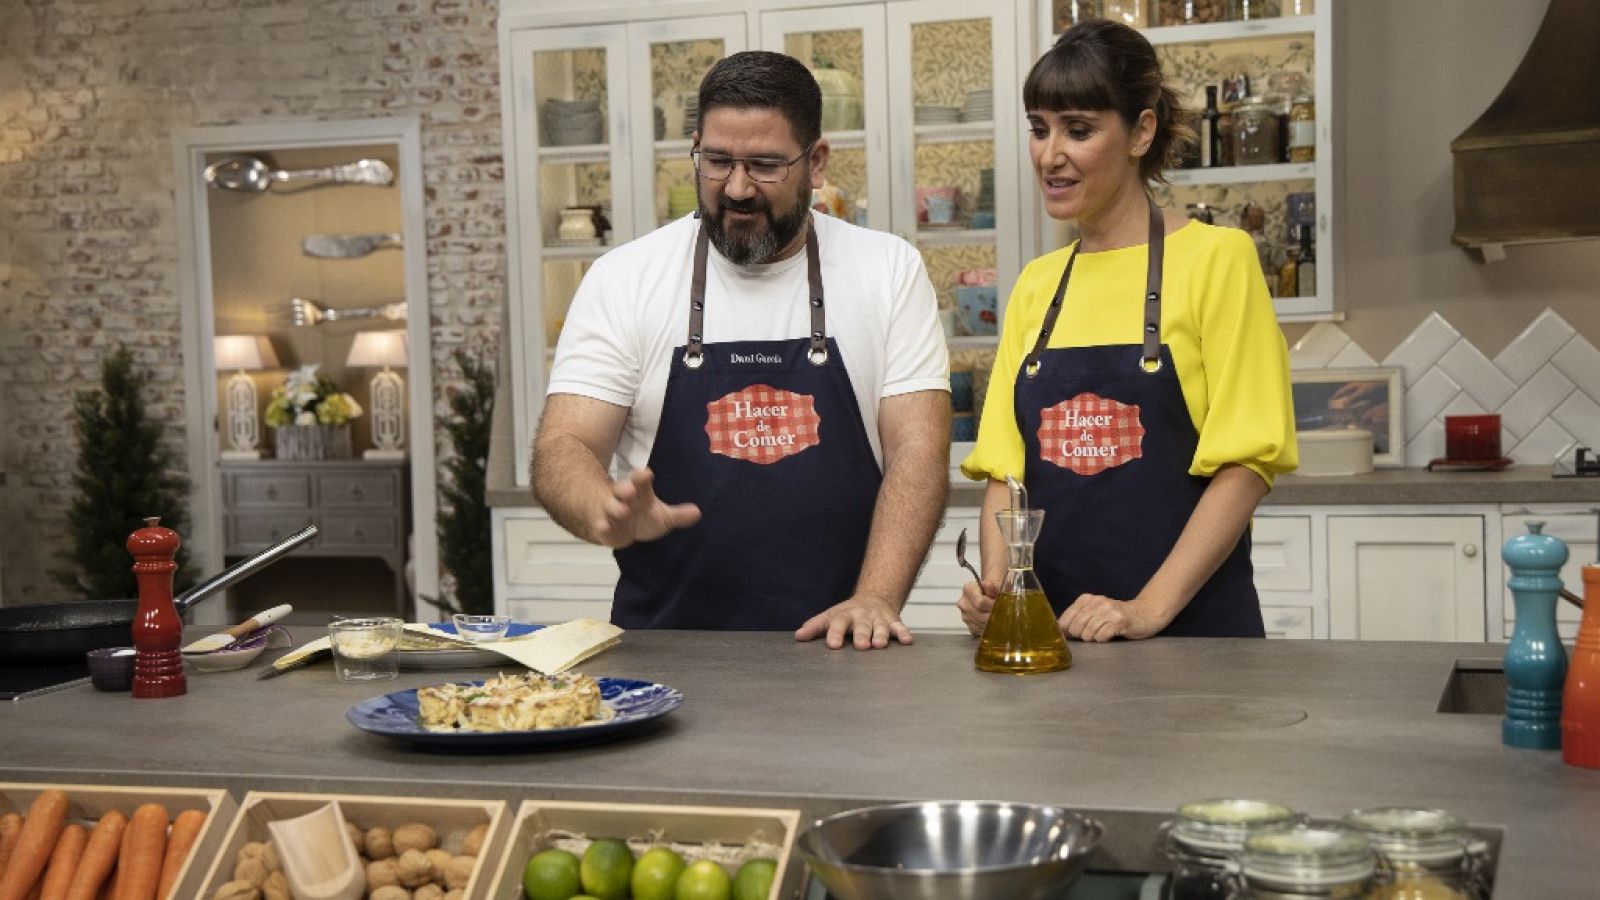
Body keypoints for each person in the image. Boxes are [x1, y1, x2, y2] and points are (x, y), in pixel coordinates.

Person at [532, 51, 951, 650]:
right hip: (668, 655)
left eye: (765, 165)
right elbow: (564, 444)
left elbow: (917, 448)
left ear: (817, 163)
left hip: (844, 649)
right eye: (718, 161)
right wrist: (599, 506)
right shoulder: (624, 277)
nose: (737, 188)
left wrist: (877, 598)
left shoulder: (887, 270)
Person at [957, 20, 1297, 642]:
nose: (1049, 154)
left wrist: (1146, 609)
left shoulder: (1219, 260)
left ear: (1141, 131)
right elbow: (1010, 477)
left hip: (1194, 643)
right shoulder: (1038, 284)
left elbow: (1246, 465)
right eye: (1039, 128)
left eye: (1078, 129)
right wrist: (1004, 589)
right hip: (1055, 645)